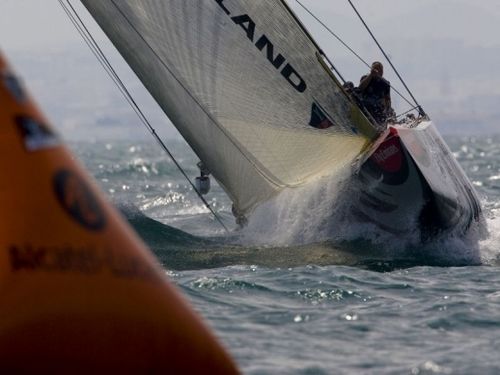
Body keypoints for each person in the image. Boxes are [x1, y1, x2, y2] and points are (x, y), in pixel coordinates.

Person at [358, 61, 395, 126]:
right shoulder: (366, 77)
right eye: (376, 68)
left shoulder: (385, 83)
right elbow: (360, 88)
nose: (378, 71)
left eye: (380, 69)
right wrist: (371, 75)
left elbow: (388, 99)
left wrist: (388, 111)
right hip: (364, 105)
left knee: (382, 117)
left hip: (378, 110)